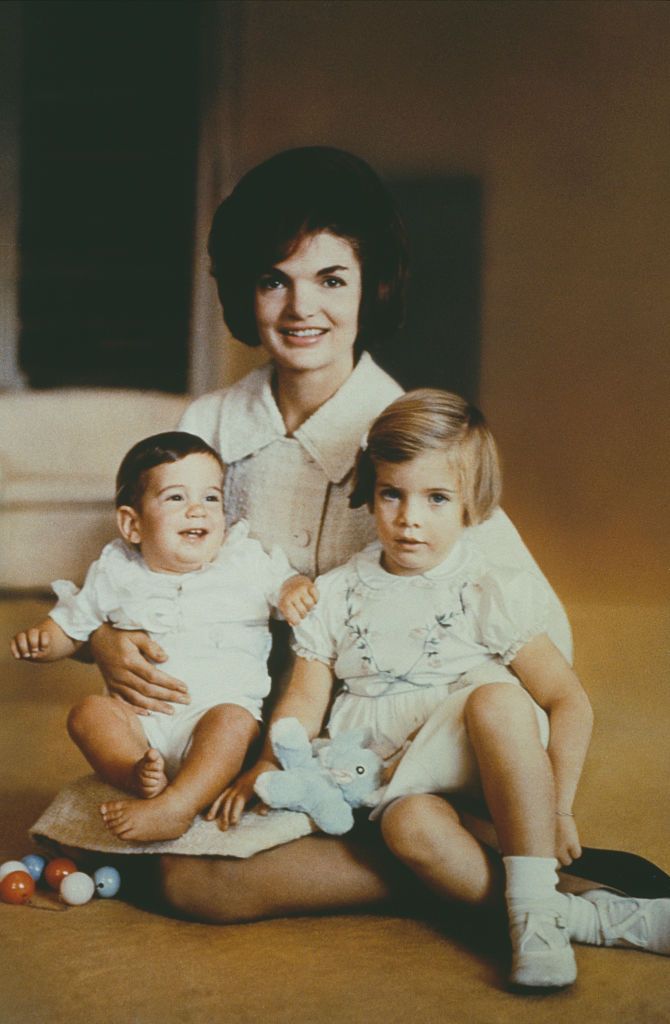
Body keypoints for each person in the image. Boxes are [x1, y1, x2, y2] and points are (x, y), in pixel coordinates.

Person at [79, 147, 666, 925]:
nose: (300, 308)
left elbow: (533, 639)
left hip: (395, 744)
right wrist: (107, 640)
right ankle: (464, 856)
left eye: (331, 279)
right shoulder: (207, 427)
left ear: (371, 287)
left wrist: (530, 786)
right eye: (272, 279)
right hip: (260, 736)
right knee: (152, 862)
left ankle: (490, 861)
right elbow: (141, 568)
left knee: (201, 880)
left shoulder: (409, 445)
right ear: (243, 292)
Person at [215, 389, 670, 989]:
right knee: (411, 831)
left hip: (486, 765)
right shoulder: (337, 593)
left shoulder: (487, 589)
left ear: (470, 506)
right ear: (370, 493)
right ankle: (587, 918)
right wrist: (270, 762)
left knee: (497, 697)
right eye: (392, 495)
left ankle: (535, 906)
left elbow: (568, 701)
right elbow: (303, 698)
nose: (410, 519)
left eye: (436, 498)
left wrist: (558, 808)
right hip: (392, 781)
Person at [11, 431, 316, 843]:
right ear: (132, 524)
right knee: (88, 714)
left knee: (235, 722)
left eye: (211, 498)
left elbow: (284, 582)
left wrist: (294, 587)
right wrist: (45, 641)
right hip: (141, 722)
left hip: (210, 717)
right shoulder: (116, 569)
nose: (197, 511)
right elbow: (73, 623)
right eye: (176, 498)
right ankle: (135, 773)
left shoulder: (242, 561)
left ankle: (177, 806)